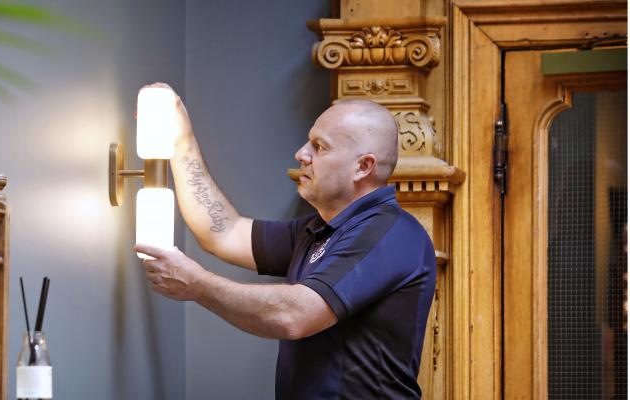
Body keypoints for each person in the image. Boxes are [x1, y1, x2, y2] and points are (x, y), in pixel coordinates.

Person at [135, 83, 436, 399]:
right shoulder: (320, 229)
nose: (301, 154)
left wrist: (197, 284)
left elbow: (295, 315)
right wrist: (181, 142)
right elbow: (225, 233)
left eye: (320, 147)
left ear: (363, 167)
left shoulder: (391, 233)